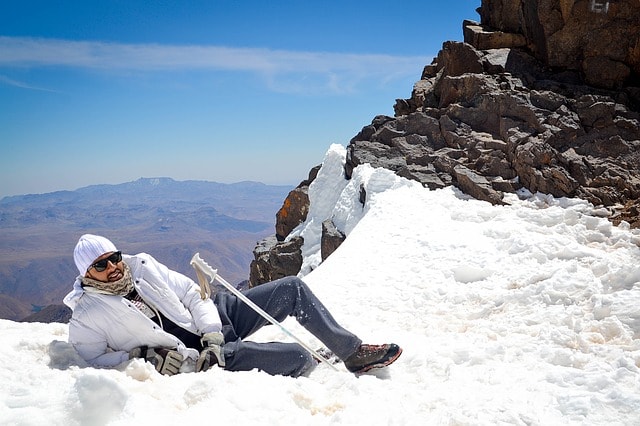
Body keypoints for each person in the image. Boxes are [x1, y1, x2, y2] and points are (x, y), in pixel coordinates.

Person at [63, 234, 402, 377]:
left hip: (219, 318)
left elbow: (193, 294)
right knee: (298, 359)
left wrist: (212, 332)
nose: (113, 268)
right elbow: (94, 359)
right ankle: (309, 356)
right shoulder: (86, 317)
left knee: (292, 289)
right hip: (202, 358)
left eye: (114, 258)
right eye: (101, 265)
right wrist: (142, 357)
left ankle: (352, 352)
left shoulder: (143, 266)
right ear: (86, 273)